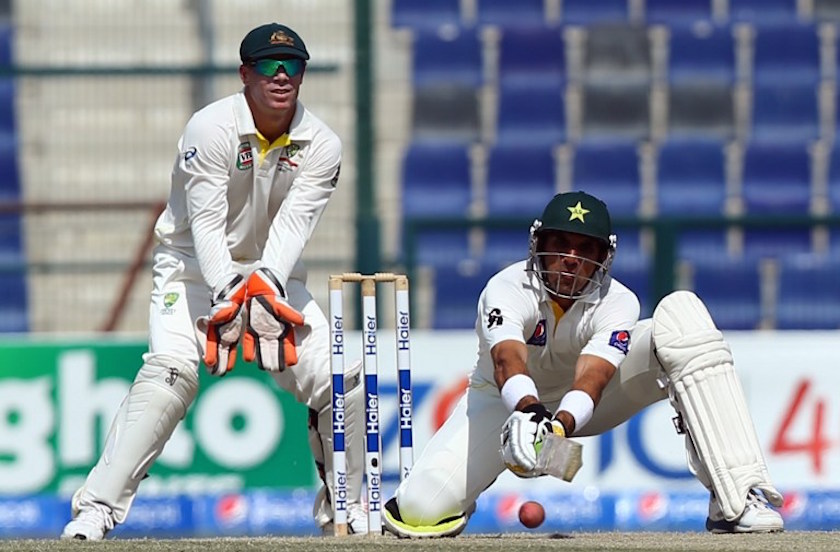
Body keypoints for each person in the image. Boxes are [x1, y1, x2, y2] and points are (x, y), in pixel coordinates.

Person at [61, 22, 367, 540]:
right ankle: (96, 510)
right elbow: (205, 221)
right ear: (245, 73)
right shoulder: (210, 127)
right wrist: (228, 295)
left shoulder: (323, 144)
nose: (280, 75)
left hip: (275, 276)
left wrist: (264, 291)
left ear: (303, 74)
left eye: (291, 66)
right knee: (169, 376)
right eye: (267, 66)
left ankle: (348, 509)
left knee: (347, 377)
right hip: (193, 270)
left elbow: (294, 227)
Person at [383, 190, 784, 538]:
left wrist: (554, 430)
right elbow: (507, 361)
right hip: (501, 402)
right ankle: (465, 488)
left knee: (682, 313)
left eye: (585, 249)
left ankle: (737, 494)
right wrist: (531, 414)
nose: (570, 259)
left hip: (594, 402)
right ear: (538, 245)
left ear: (603, 257)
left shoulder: (618, 301)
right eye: (560, 243)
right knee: (419, 509)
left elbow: (594, 376)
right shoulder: (506, 287)